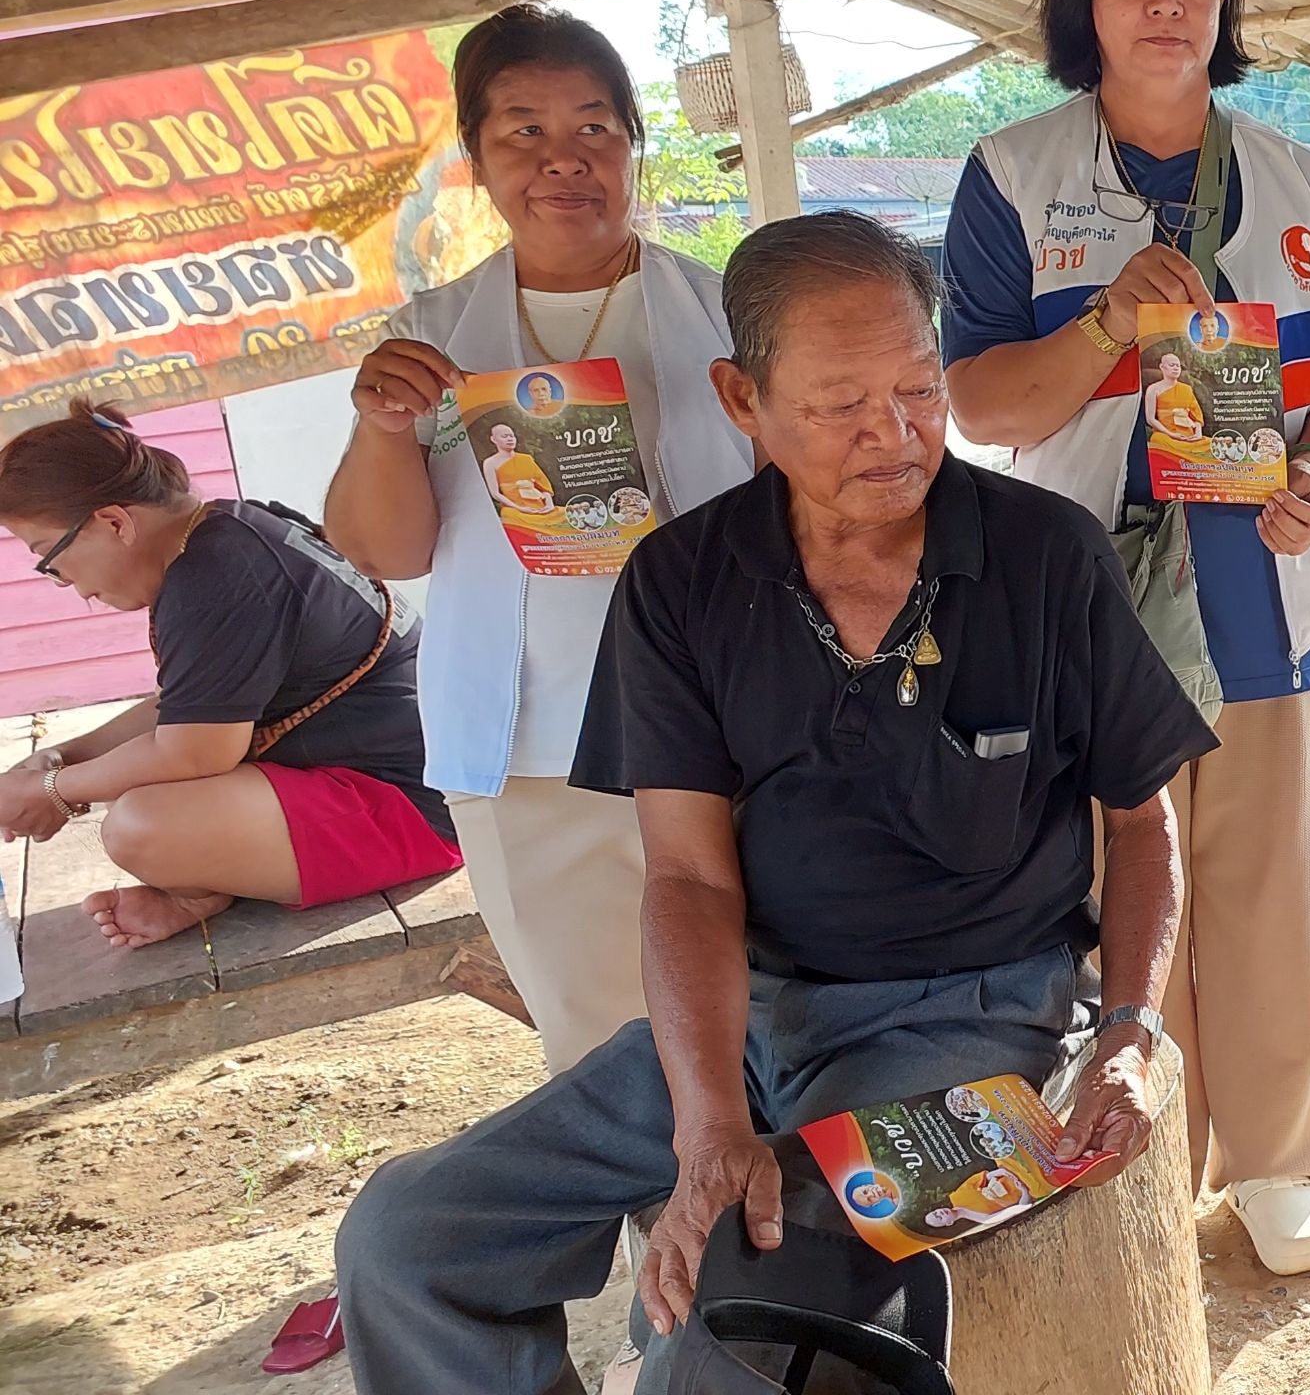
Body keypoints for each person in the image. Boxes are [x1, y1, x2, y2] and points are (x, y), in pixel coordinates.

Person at [333, 211, 1213, 1392]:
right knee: (409, 1242)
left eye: (915, 386)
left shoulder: (1045, 555)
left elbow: (1138, 820)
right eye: (839, 402)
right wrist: (707, 1123)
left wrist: (1128, 1032)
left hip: (963, 1027)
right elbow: (689, 880)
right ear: (741, 399)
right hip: (754, 1022)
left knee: (722, 1342)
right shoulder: (684, 582)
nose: (892, 434)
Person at [939, 0, 1310, 1275]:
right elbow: (982, 408)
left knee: (1272, 882)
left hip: (1263, 584)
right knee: (1103, 879)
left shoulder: (1309, 182)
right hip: (1078, 601)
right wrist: (1104, 335)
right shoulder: (1013, 175)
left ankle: (1279, 1162)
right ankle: (1131, 1143)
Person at [323, 2, 754, 1075]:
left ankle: (774, 1236)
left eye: (594, 128)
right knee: (600, 1048)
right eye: (523, 131)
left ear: (633, 145)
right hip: (532, 757)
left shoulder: (730, 312)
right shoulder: (430, 339)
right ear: (475, 158)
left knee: (755, 1020)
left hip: (725, 732)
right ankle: (641, 1241)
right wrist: (383, 428)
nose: (563, 162)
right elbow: (386, 551)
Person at [0, 404, 457, 948]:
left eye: (50, 560)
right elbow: (192, 704)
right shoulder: (230, 529)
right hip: (405, 777)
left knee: (140, 826)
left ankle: (198, 890)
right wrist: (64, 757)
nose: (69, 585)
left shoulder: (215, 575)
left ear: (114, 522)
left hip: (415, 808)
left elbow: (193, 751)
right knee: (147, 808)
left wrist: (53, 790)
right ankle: (208, 885)